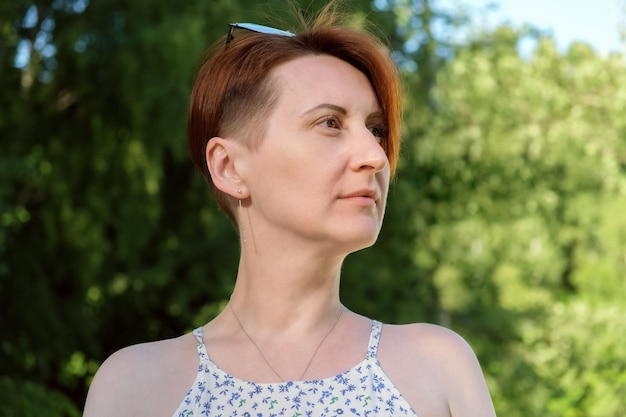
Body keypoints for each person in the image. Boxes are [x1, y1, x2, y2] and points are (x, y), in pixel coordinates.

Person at [83, 6, 497, 417]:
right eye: (330, 123)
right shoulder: (135, 387)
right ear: (229, 167)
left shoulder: (438, 368)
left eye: (375, 129)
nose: (375, 156)